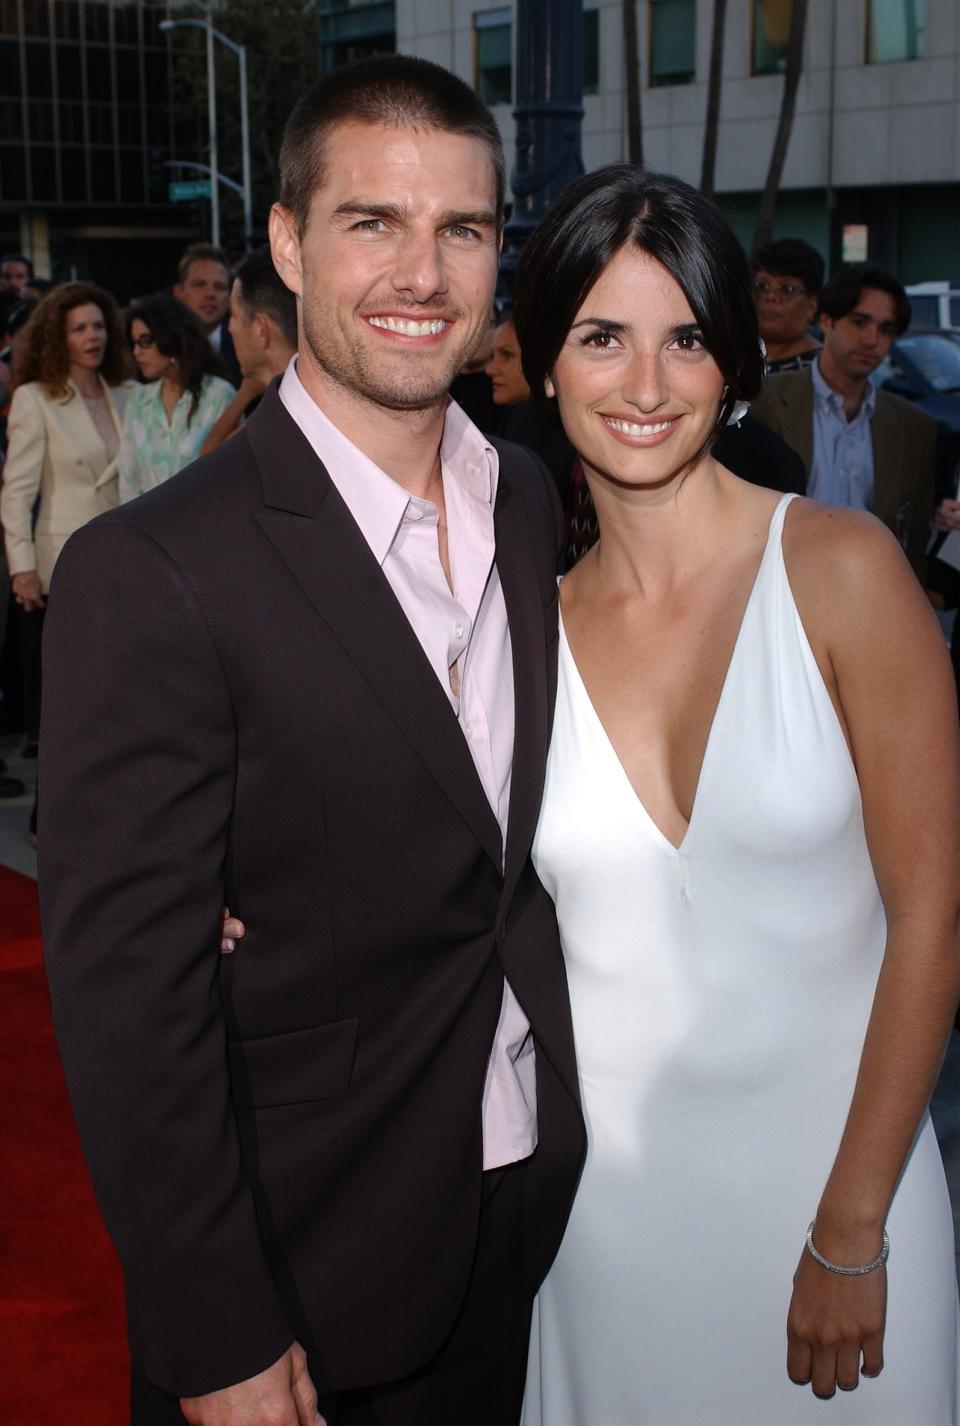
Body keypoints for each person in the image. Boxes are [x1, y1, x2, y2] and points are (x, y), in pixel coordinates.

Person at [40, 54, 584, 1426]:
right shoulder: (150, 568)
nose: (424, 272)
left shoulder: (525, 496)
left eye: (461, 228)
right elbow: (126, 999)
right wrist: (213, 1325)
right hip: (303, 1259)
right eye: (372, 222)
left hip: (531, 1215)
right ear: (286, 244)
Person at [511, 165, 959, 1425]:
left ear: (732, 362)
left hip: (846, 1211)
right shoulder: (519, 638)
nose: (646, 386)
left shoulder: (842, 569)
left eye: (686, 339)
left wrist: (852, 1226)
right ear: (545, 360)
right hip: (608, 1235)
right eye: (603, 337)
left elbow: (933, 917)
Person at [1, 282, 134, 791]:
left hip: (126, 565)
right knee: (70, 697)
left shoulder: (129, 395)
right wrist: (23, 568)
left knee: (118, 693)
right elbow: (16, 491)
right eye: (79, 328)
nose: (92, 336)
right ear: (59, 337)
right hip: (64, 564)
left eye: (99, 325)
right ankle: (49, 808)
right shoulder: (36, 400)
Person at [751, 262, 936, 583]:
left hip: (872, 596)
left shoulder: (914, 426)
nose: (872, 339)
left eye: (886, 329)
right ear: (826, 320)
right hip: (779, 587)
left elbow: (915, 536)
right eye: (860, 322)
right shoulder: (764, 401)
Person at [118, 294, 235, 502]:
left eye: (145, 341)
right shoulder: (138, 400)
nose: (136, 352)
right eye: (134, 343)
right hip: (145, 528)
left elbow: (231, 476)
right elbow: (128, 480)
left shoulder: (219, 395)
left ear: (170, 336)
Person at [196, 244, 298, 452]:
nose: (230, 328)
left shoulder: (282, 417)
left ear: (261, 329)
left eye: (234, 316)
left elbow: (211, 469)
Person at [173, 241, 244, 388]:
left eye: (219, 287)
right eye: (200, 285)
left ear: (230, 296)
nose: (210, 294)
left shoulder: (245, 351)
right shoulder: (163, 349)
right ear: (179, 293)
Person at [753, 237, 824, 373]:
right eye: (762, 286)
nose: (771, 297)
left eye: (787, 289)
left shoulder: (824, 372)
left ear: (812, 305)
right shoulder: (734, 359)